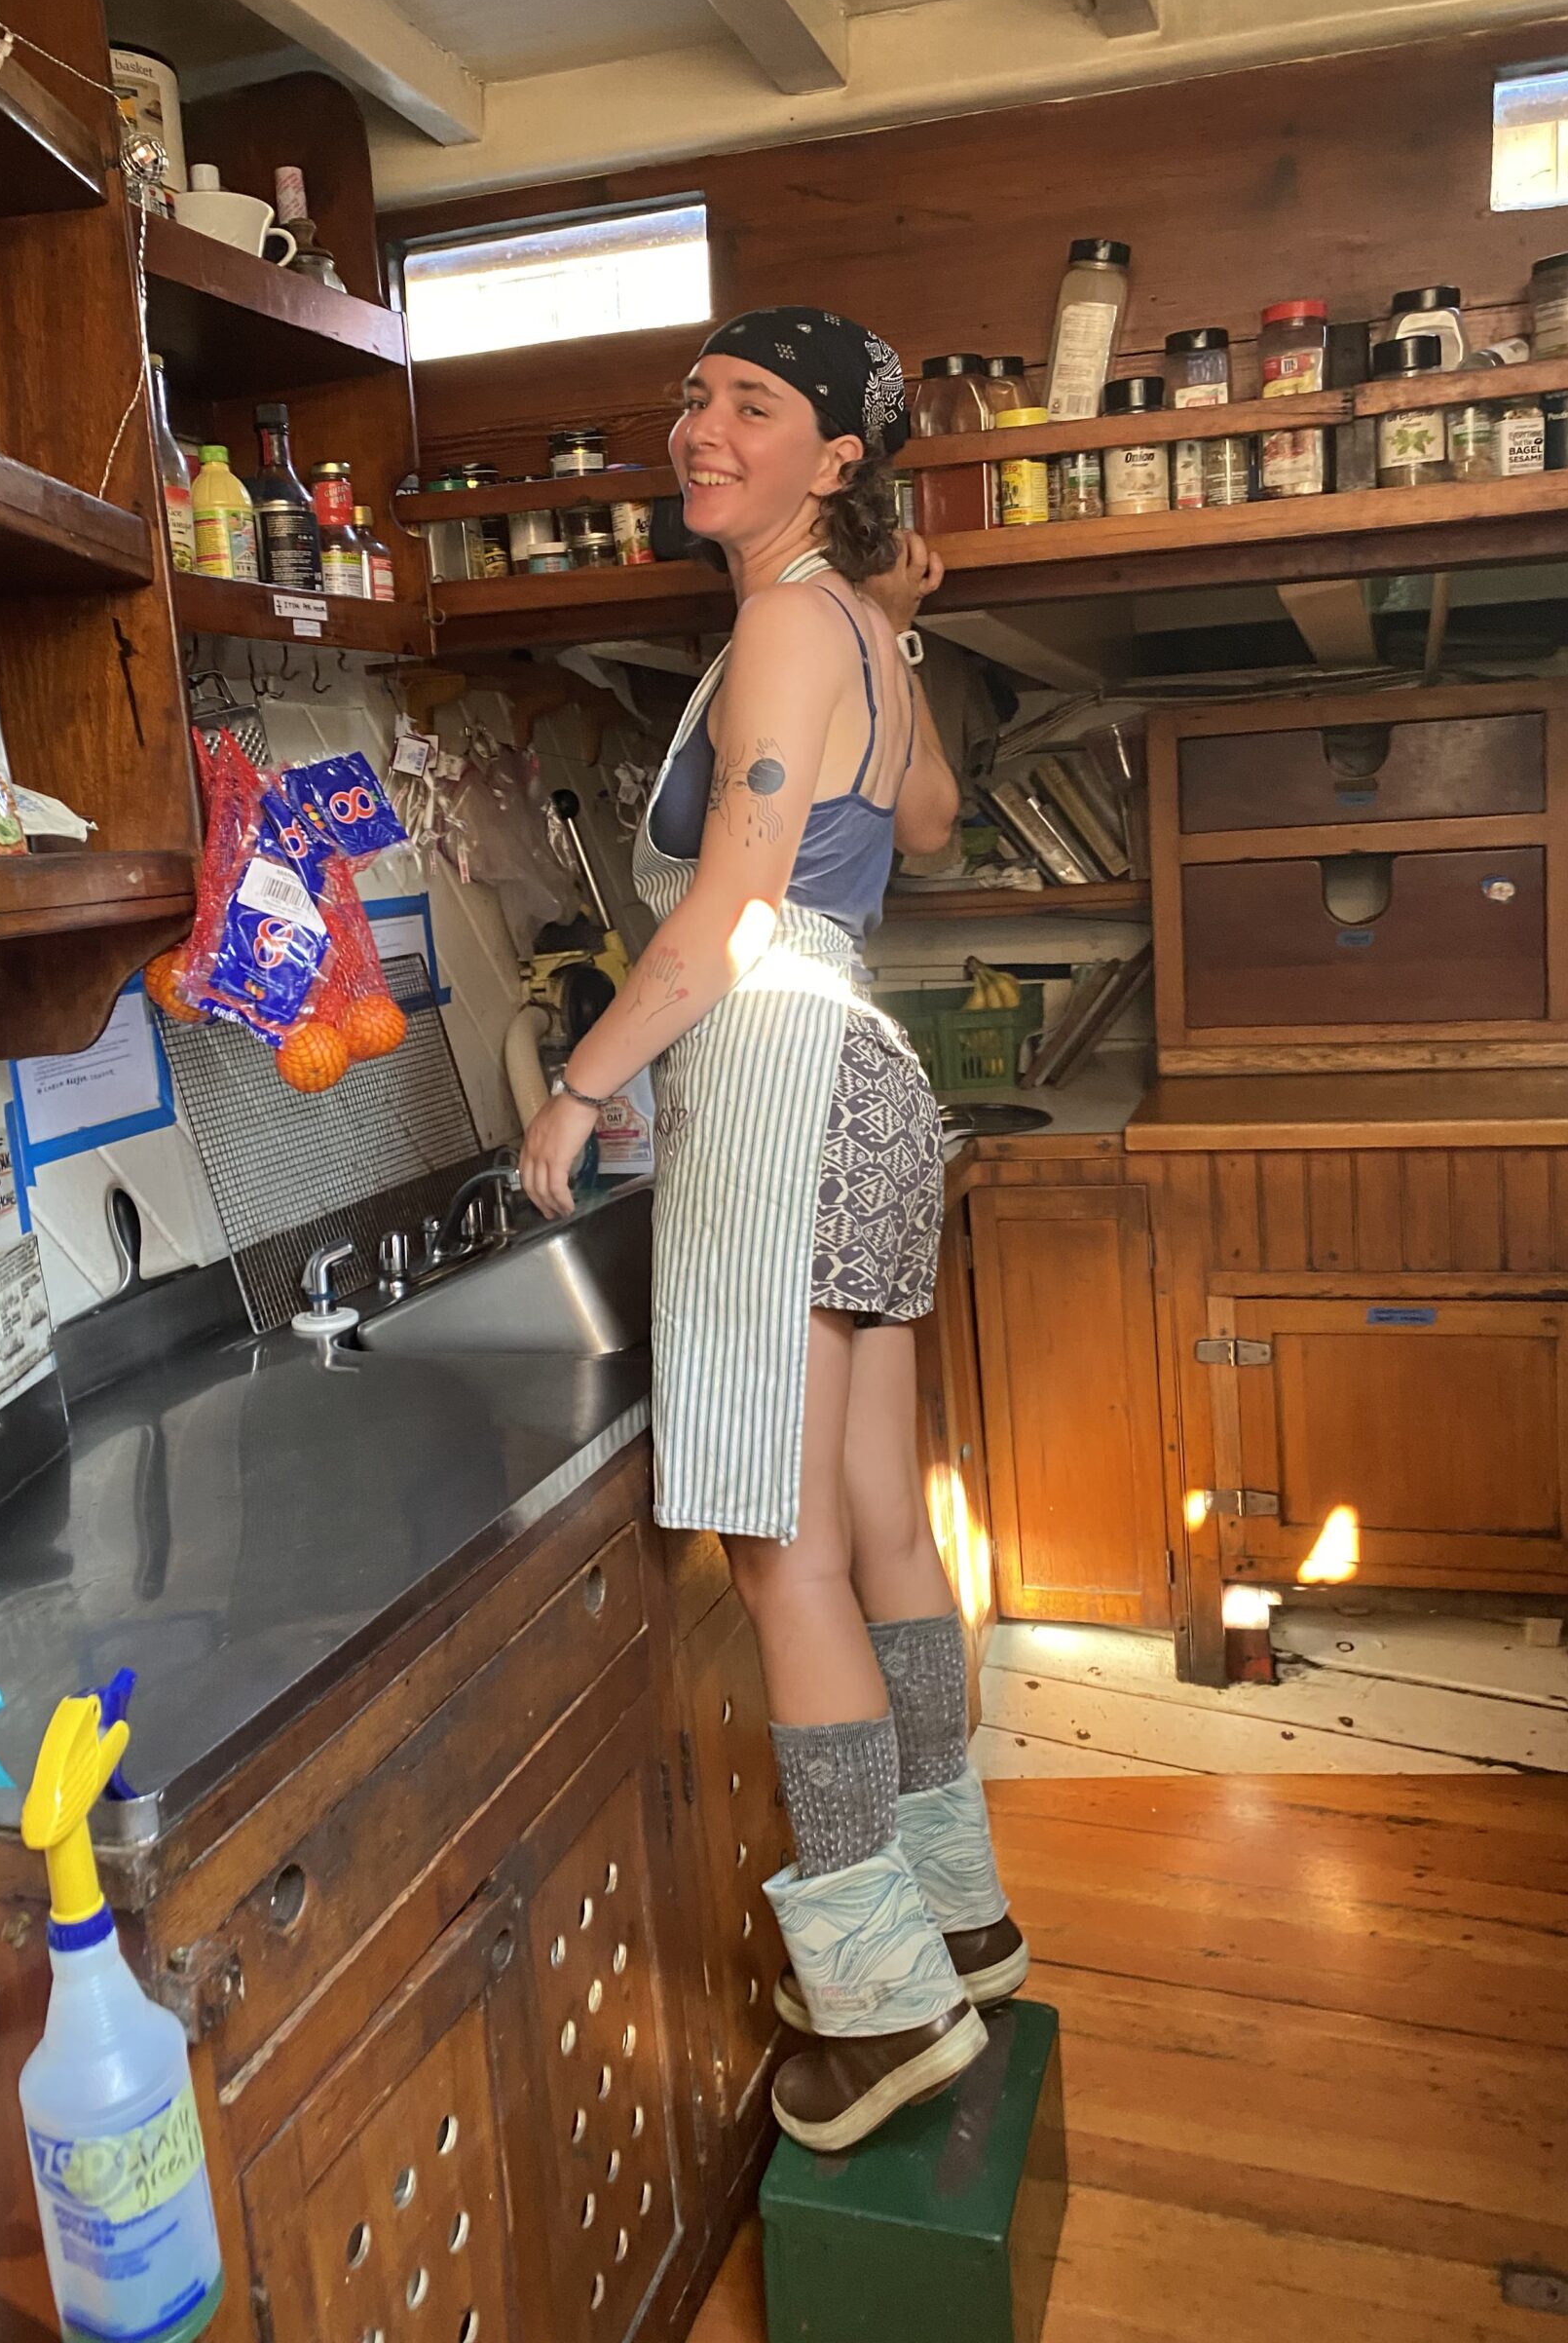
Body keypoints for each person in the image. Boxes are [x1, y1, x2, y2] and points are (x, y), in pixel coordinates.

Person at [519, 307, 1027, 2152]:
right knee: (882, 1528)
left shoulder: (789, 626)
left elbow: (728, 913)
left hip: (782, 1082)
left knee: (782, 1556)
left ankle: (880, 2005)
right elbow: (935, 818)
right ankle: (959, 1916)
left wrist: (579, 1085)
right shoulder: (855, 630)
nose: (698, 426)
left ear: (835, 458)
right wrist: (901, 607)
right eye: (691, 397)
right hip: (868, 1078)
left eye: (753, 404)